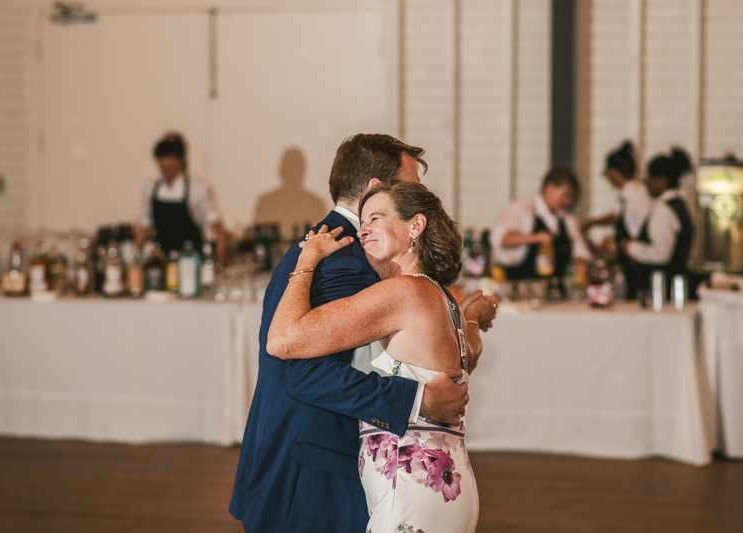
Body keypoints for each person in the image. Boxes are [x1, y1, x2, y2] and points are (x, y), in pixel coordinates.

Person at [229, 133, 497, 533]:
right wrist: (417, 399)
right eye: (410, 187)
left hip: (312, 460)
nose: (419, 195)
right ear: (377, 188)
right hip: (311, 470)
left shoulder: (328, 246)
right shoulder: (349, 258)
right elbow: (304, 371)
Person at [136, 132, 226, 264]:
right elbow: (143, 228)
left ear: (181, 160)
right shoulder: (150, 188)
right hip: (163, 262)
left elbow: (218, 230)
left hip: (194, 261)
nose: (166, 172)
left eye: (170, 167)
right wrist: (135, 258)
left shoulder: (198, 188)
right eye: (163, 168)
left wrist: (219, 264)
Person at [490, 166, 591, 284]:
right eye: (564, 195)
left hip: (556, 293)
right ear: (550, 187)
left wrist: (580, 263)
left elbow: (581, 252)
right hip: (519, 288)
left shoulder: (568, 221)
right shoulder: (520, 209)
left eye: (570, 198)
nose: (567, 201)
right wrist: (535, 238)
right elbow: (502, 239)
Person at [620, 147, 694, 299]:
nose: (646, 182)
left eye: (649, 177)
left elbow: (661, 254)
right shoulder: (681, 205)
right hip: (676, 287)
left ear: (661, 180)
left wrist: (630, 247)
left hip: (662, 291)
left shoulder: (663, 210)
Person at [582, 141, 651, 299]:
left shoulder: (636, 195)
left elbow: (640, 228)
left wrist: (590, 223)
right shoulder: (629, 194)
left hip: (637, 263)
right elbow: (617, 217)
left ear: (613, 172)